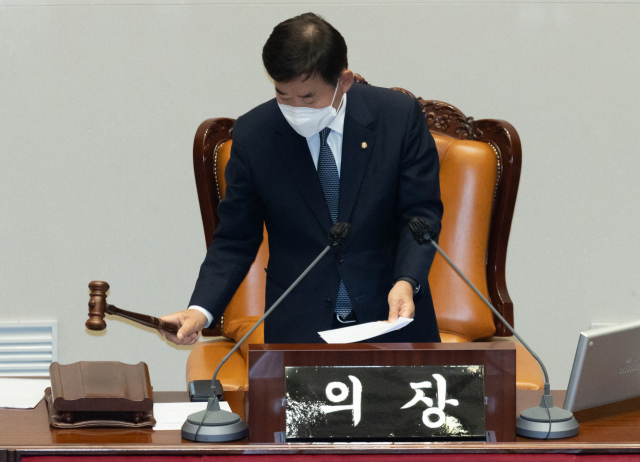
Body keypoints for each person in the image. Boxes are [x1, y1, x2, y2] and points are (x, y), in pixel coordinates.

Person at [160, 12, 443, 346]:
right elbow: (235, 238)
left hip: (394, 318)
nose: (296, 109)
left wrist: (406, 280)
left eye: (309, 98)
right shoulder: (255, 135)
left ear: (344, 81)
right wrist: (200, 310)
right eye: (283, 95)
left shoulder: (397, 117)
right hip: (300, 329)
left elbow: (420, 214)